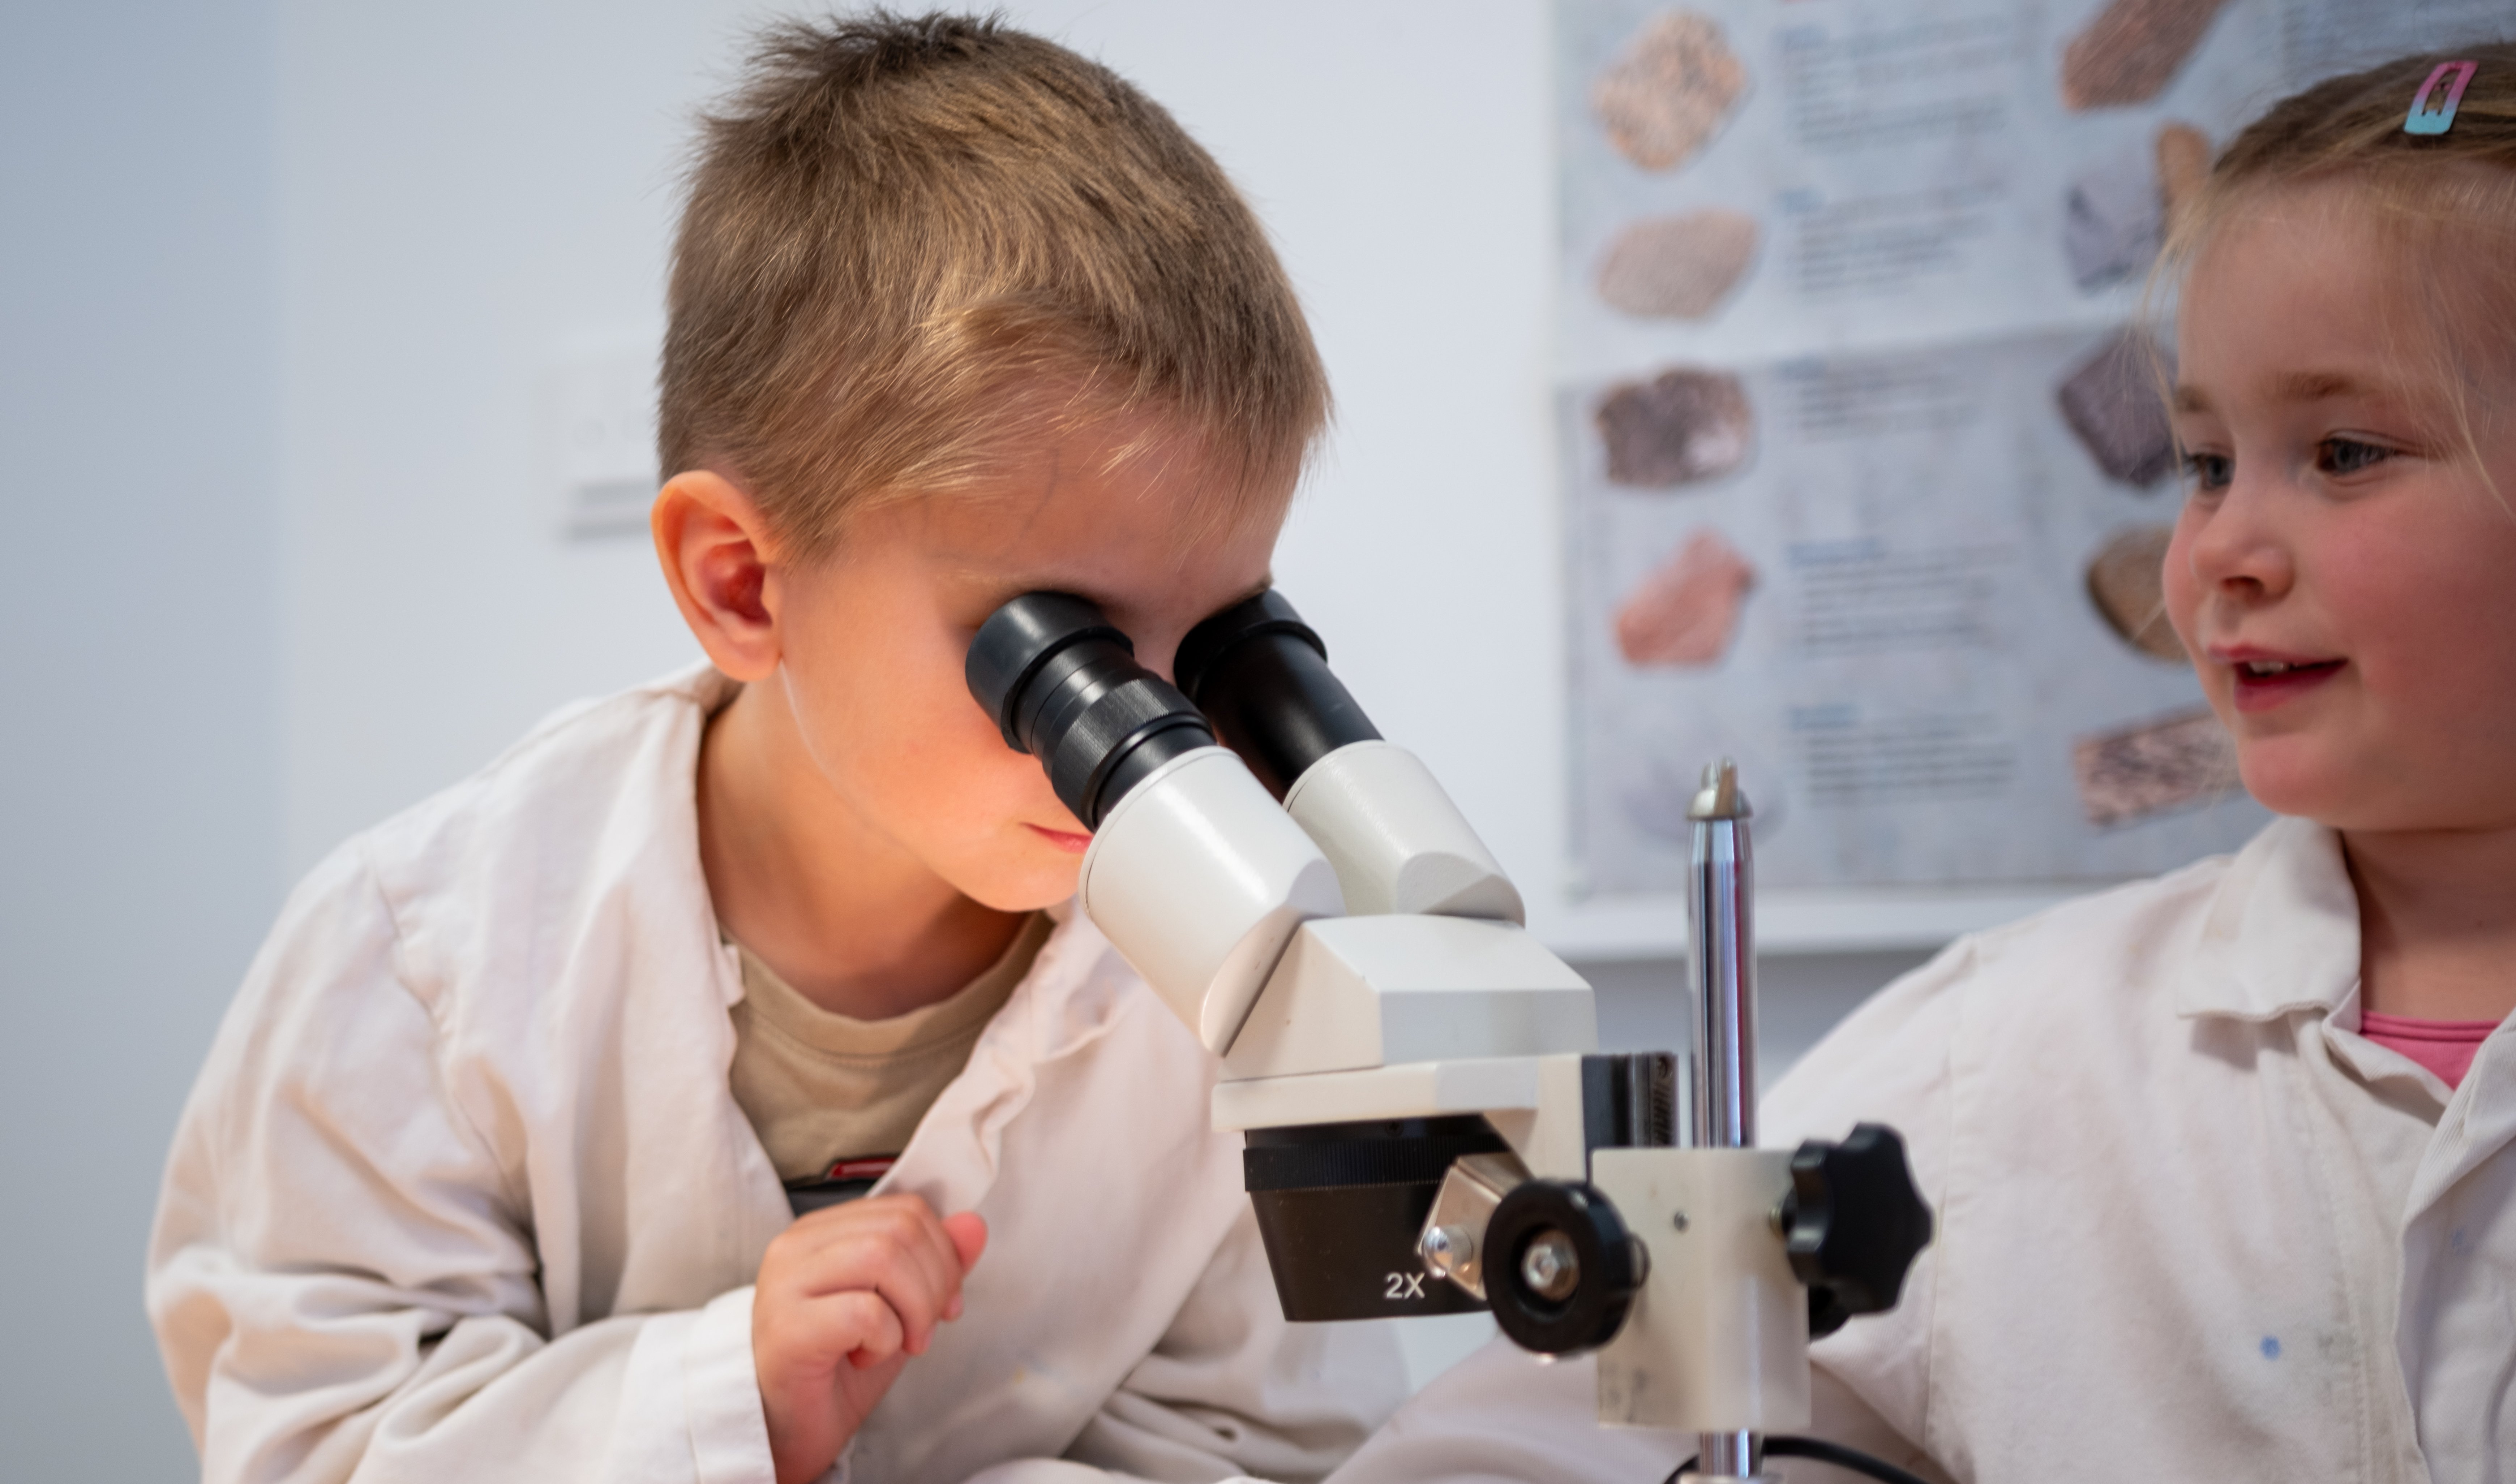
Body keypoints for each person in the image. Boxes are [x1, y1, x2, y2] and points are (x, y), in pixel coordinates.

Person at [146, 15, 1403, 1484]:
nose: (1150, 745)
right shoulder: (420, 963)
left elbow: (1271, 1442)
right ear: (745, 581)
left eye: (1215, 647)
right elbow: (317, 1438)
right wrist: (711, 1400)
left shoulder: (1216, 988)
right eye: (1062, 654)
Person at [1327, 44, 2516, 1484]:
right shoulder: (1996, 1055)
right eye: (2203, 462)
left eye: (2340, 451)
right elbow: (1502, 1451)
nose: (2221, 557)